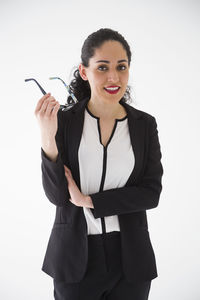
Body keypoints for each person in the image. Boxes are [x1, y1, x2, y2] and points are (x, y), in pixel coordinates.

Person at [35, 28, 164, 300]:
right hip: (75, 259)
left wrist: (89, 201)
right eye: (102, 67)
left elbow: (151, 193)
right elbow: (57, 195)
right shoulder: (65, 122)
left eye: (122, 66)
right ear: (84, 72)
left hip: (131, 260)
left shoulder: (145, 125)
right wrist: (48, 136)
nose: (113, 77)